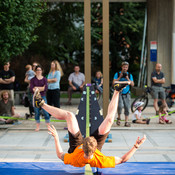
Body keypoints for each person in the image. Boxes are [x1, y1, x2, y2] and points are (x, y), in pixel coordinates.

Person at [33, 82, 146, 168]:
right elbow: (122, 159)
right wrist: (136, 146)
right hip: (89, 150)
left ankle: (41, 104)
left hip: (75, 147)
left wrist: (56, 138)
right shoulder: (100, 160)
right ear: (95, 147)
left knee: (70, 115)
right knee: (110, 120)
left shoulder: (74, 158)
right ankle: (116, 91)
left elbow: (60, 155)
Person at [113, 61, 134, 127]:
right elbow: (114, 83)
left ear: (127, 68)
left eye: (126, 67)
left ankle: (126, 121)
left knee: (127, 107)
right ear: (122, 67)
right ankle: (119, 118)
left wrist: (127, 78)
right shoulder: (117, 73)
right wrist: (120, 77)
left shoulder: (129, 75)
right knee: (119, 106)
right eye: (124, 67)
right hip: (119, 92)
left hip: (127, 93)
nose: (125, 68)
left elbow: (132, 84)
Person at [30, 65, 50, 131]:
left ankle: (48, 126)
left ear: (42, 71)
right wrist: (41, 88)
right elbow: (32, 88)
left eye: (40, 70)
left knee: (46, 111)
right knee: (36, 112)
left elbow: (45, 88)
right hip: (35, 97)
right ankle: (37, 126)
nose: (39, 71)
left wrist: (37, 88)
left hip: (43, 96)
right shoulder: (33, 79)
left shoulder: (44, 79)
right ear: (35, 71)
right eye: (37, 70)